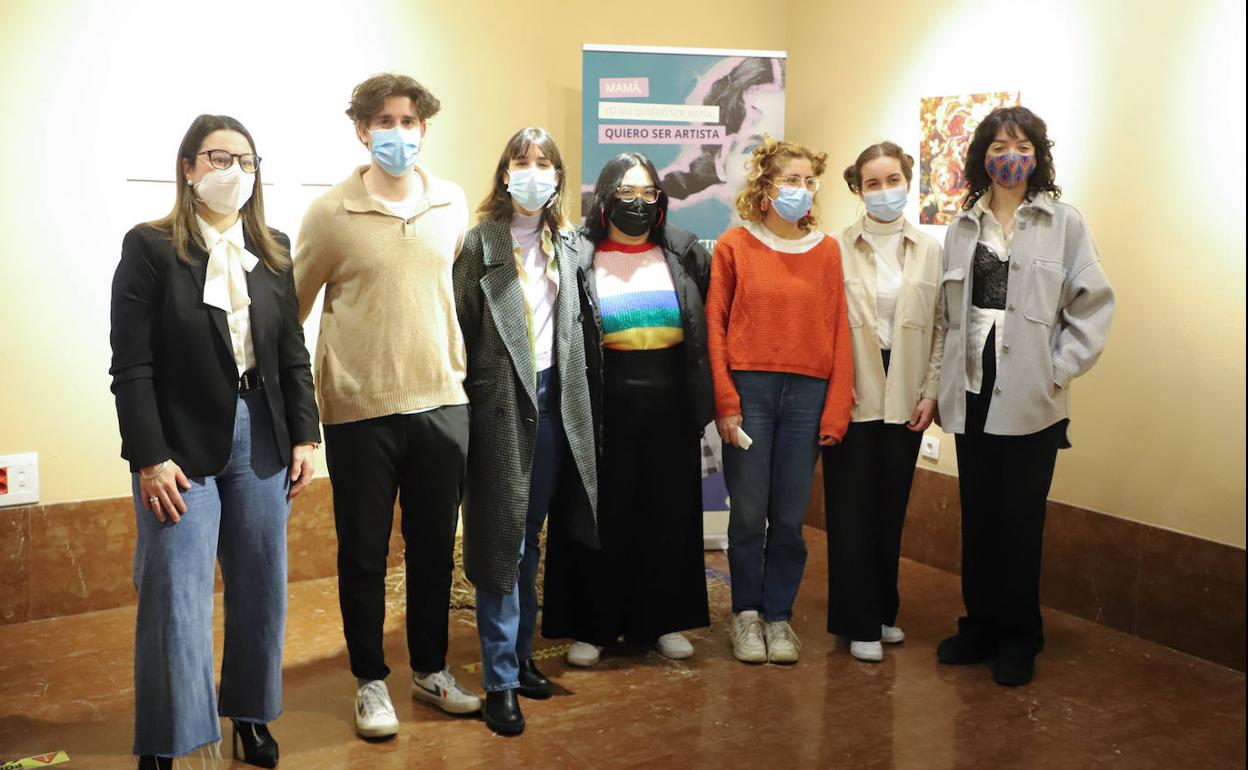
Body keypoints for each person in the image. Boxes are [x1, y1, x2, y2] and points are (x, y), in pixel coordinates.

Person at [110, 114, 320, 769]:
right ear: (188, 167)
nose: (235, 172)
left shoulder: (275, 249)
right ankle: (168, 740)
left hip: (262, 434)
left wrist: (306, 435)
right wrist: (148, 457)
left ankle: (251, 717)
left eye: (247, 161)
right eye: (219, 157)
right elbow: (131, 364)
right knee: (174, 593)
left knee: (263, 586)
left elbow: (292, 353)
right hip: (177, 446)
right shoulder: (149, 246)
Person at [293, 73, 479, 739]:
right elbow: (292, 310)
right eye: (383, 121)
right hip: (357, 410)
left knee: (433, 549)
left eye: (408, 120)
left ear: (424, 128)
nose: (396, 132)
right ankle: (371, 681)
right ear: (361, 130)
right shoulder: (329, 214)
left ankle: (430, 670)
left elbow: (461, 296)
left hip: (440, 402)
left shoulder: (452, 203)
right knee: (365, 554)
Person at [936, 106, 1114, 686]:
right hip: (973, 390)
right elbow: (946, 316)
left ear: (1038, 155)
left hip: (1032, 399)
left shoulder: (1064, 223)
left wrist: (1057, 372)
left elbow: (1091, 307)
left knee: (1019, 520)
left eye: (1021, 144)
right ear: (981, 156)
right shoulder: (963, 226)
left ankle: (1019, 636)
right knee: (979, 517)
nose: (1009, 155)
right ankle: (979, 625)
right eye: (997, 144)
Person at [453, 127, 598, 736]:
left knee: (531, 539)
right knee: (501, 545)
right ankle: (499, 681)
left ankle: (522, 660)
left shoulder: (567, 244)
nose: (533, 172)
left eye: (545, 163)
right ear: (505, 172)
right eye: (522, 161)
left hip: (555, 405)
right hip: (498, 408)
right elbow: (458, 332)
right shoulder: (477, 244)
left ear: (559, 177)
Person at [542, 152, 713, 667]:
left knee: (667, 513)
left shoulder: (683, 252)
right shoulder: (579, 254)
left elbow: (701, 320)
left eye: (648, 194)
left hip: (670, 402)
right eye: (626, 193)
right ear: (605, 197)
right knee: (601, 514)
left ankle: (659, 623)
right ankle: (593, 627)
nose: (638, 204)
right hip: (602, 400)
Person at [706, 135, 853, 665]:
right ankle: (746, 615)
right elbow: (715, 328)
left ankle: (779, 617)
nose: (802, 190)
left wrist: (836, 408)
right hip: (751, 393)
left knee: (790, 518)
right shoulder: (733, 246)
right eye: (792, 180)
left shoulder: (828, 252)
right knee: (748, 515)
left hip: (807, 395)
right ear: (766, 187)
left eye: (809, 181)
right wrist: (725, 400)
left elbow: (840, 332)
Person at [823, 141, 944, 663]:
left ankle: (882, 610)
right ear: (858, 189)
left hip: (908, 388)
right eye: (872, 183)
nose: (884, 191)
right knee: (851, 508)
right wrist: (833, 384)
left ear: (907, 181)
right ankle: (857, 621)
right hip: (854, 386)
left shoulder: (930, 249)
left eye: (892, 180)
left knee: (890, 508)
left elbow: (941, 327)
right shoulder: (835, 247)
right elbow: (823, 325)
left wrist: (932, 391)